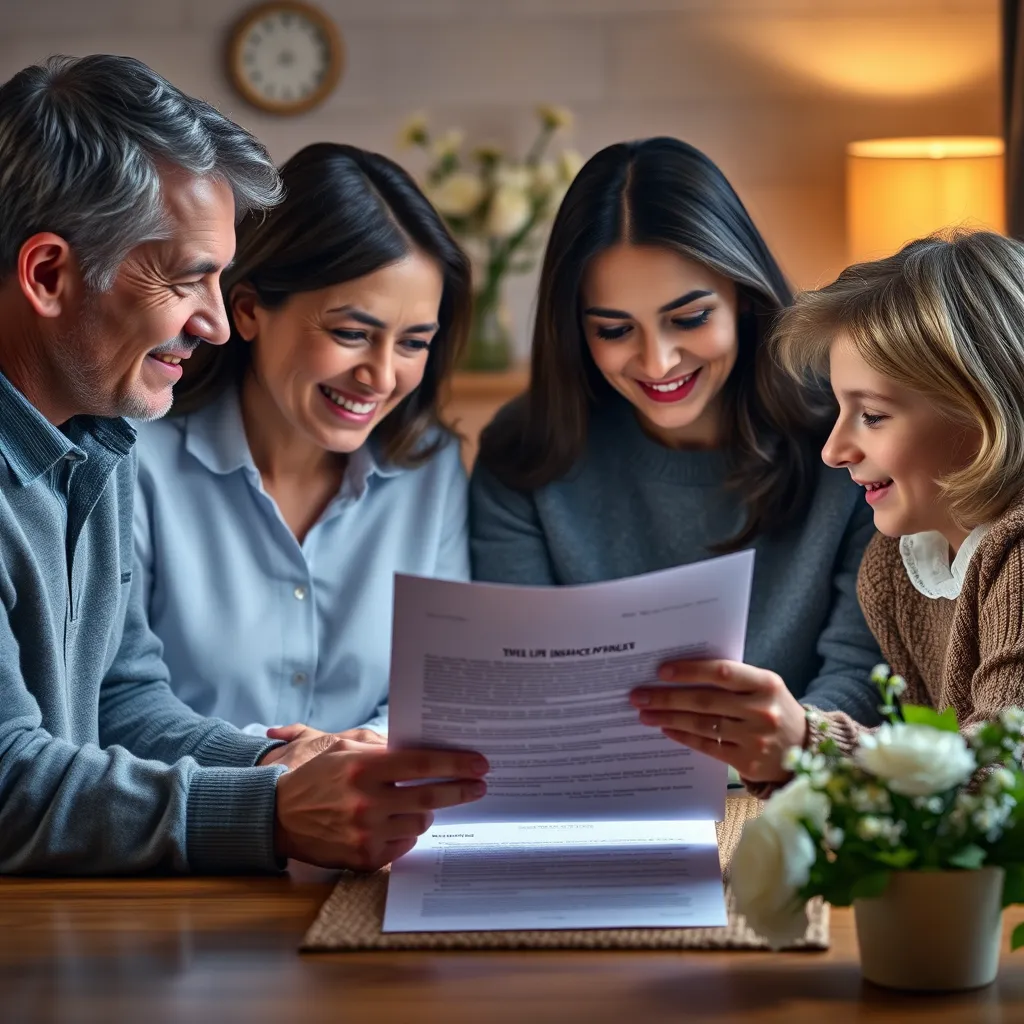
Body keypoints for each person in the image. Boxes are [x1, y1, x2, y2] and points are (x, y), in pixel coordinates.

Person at [0, 55, 486, 876]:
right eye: (192, 279)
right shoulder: (129, 442)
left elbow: (121, 700)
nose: (220, 324)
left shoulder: (100, 443)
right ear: (49, 275)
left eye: (222, 280)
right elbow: (11, 786)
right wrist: (269, 809)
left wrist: (283, 763)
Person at [470, 137, 882, 789]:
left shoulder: (847, 434)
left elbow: (864, 674)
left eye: (688, 318)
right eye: (613, 329)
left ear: (742, 296)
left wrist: (787, 745)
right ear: (574, 328)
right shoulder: (528, 451)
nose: (657, 362)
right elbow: (525, 690)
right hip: (589, 794)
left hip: (801, 789)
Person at [133, 142, 471, 744]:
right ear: (249, 309)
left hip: (382, 818)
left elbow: (442, 685)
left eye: (414, 342)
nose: (383, 376)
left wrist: (358, 757)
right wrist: (280, 775)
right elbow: (120, 703)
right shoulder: (140, 463)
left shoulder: (430, 468)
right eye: (350, 333)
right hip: (195, 831)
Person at [772, 230, 1024, 757]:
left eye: (873, 416)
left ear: (983, 413)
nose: (834, 450)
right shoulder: (894, 570)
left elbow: (1000, 773)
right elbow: (931, 758)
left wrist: (807, 739)